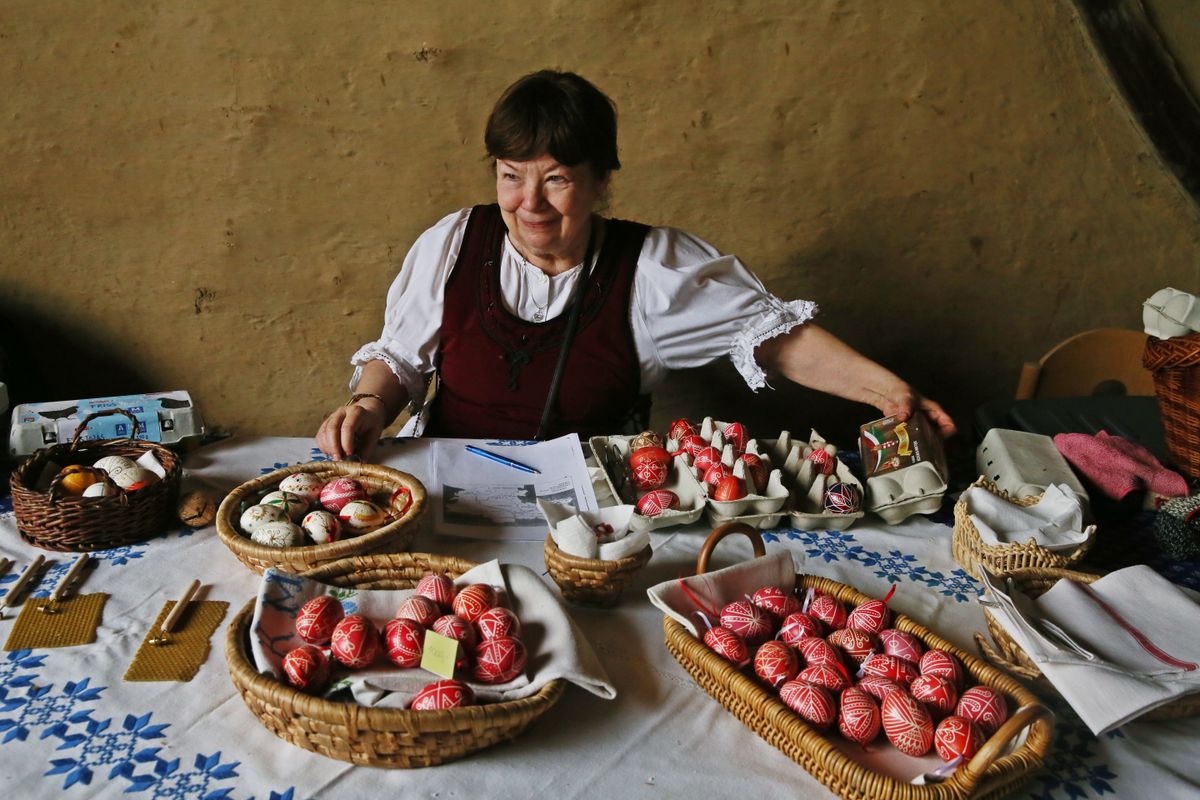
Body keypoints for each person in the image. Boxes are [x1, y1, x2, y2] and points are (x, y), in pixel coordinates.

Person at [316, 70, 955, 461]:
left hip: (592, 517)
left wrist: (889, 393)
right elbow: (402, 356)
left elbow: (777, 340)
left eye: (557, 179)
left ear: (600, 183)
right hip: (449, 487)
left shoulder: (653, 269)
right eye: (511, 177)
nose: (529, 204)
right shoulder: (455, 242)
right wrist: (371, 404)